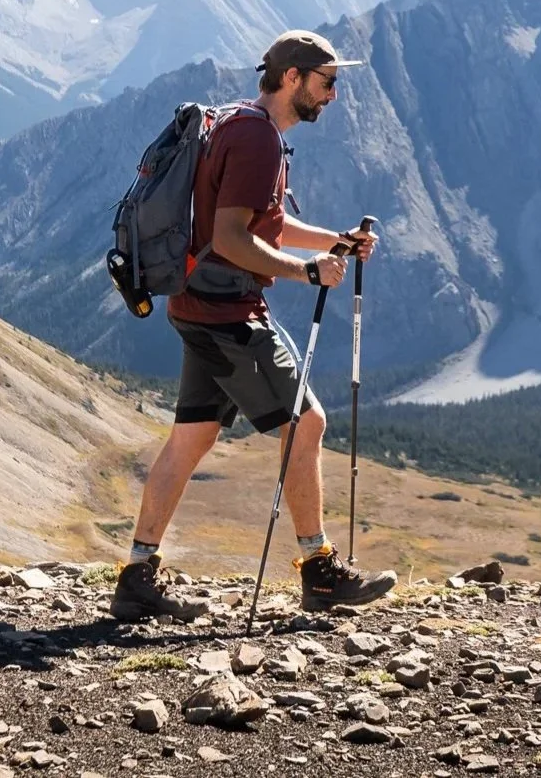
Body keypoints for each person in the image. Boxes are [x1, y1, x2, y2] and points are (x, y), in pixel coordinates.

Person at [110, 30, 398, 622]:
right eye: (326, 82)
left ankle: (136, 578)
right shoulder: (257, 141)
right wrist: (306, 273)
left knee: (191, 437)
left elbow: (262, 224)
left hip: (198, 304)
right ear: (291, 78)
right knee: (306, 423)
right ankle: (318, 571)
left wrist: (337, 240)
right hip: (228, 313)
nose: (334, 94)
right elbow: (232, 237)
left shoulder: (241, 126)